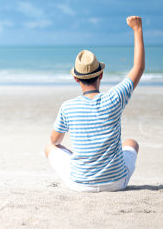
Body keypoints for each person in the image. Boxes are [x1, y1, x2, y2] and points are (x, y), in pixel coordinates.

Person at [44, 16, 145, 192]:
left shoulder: (68, 107)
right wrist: (137, 29)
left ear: (75, 78)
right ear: (101, 75)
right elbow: (138, 67)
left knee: (49, 147)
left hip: (80, 184)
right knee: (131, 142)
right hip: (116, 183)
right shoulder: (115, 98)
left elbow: (54, 141)